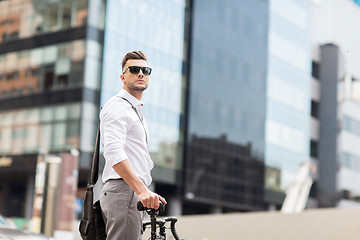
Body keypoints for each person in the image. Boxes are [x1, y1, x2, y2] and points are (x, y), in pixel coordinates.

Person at [99, 50, 167, 240]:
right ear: (122, 76)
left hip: (130, 192)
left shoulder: (134, 110)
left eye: (145, 71)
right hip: (124, 191)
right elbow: (113, 152)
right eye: (134, 69)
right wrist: (142, 190)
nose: (141, 74)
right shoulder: (118, 107)